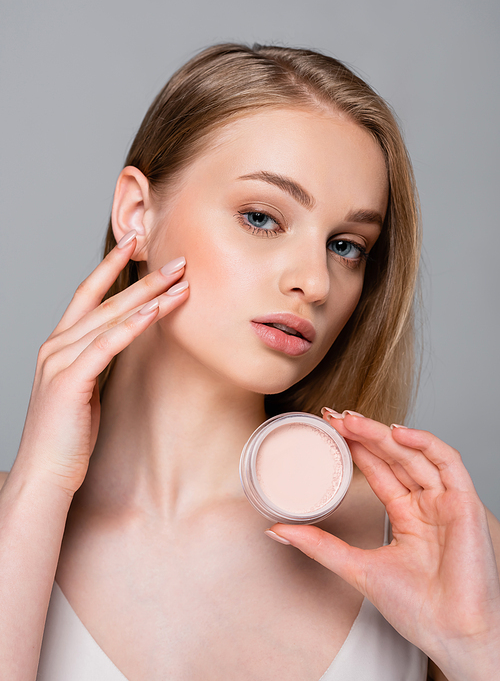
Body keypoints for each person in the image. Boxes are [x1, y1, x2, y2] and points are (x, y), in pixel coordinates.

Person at [0, 43, 499, 681]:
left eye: (347, 246)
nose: (315, 282)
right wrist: (40, 484)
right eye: (262, 217)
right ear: (136, 214)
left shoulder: (431, 542)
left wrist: (479, 650)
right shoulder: (17, 520)